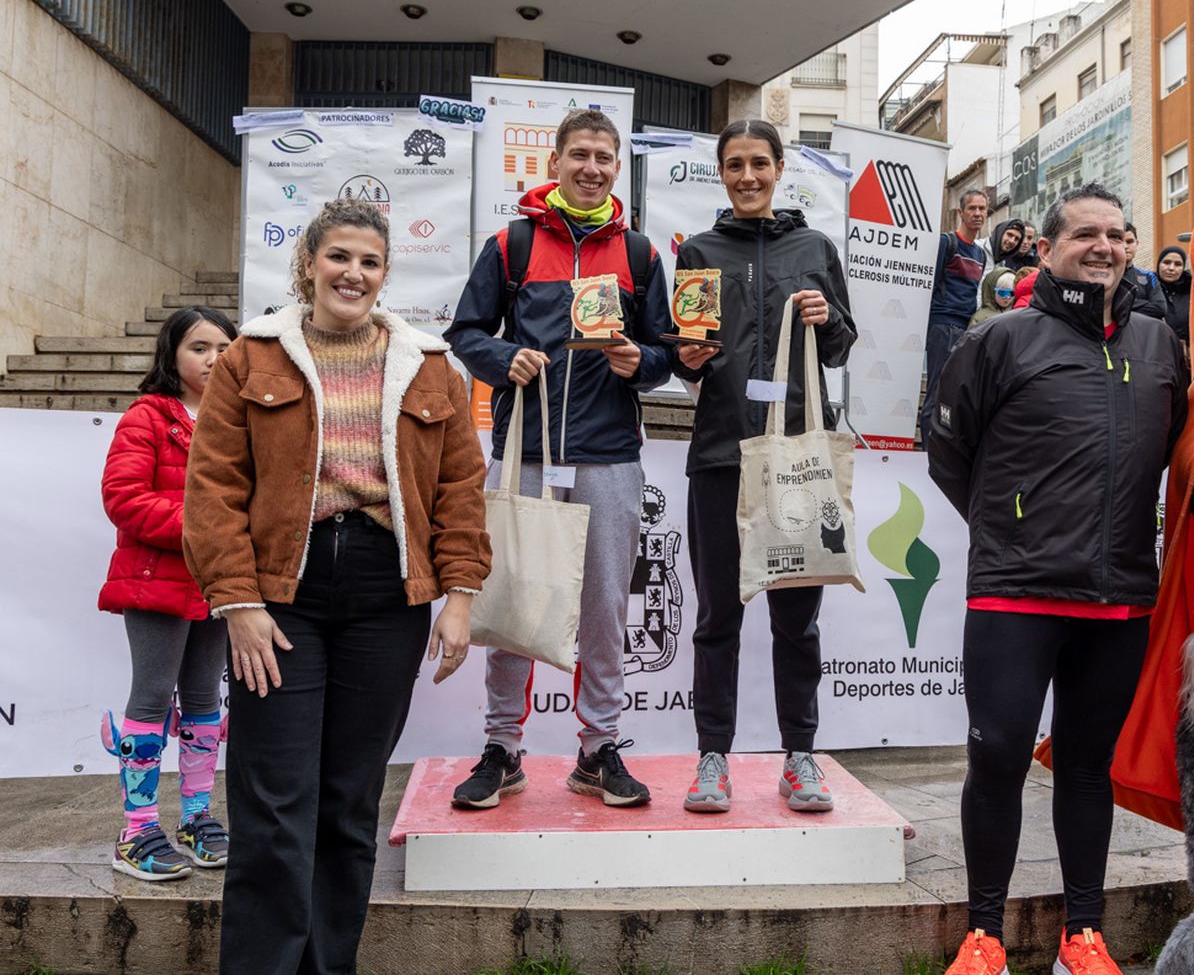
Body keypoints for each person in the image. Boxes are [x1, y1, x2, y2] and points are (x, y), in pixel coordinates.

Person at [185, 199, 489, 974]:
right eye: (339, 257)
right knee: (274, 808)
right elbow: (213, 490)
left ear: (386, 274)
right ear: (309, 263)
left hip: (387, 597)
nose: (353, 273)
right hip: (280, 597)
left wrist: (458, 594)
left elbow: (460, 487)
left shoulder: (428, 365)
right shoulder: (249, 360)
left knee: (350, 805)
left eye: (370, 261)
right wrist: (239, 604)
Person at [925, 184, 1186, 975]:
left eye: (1118, 234)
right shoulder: (1001, 338)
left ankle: (1084, 933)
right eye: (1085, 235)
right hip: (1015, 591)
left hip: (1119, 597)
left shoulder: (1159, 343)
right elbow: (947, 449)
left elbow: (1171, 449)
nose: (1104, 246)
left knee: (1085, 763)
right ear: (1046, 249)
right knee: (997, 755)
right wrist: (1009, 526)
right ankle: (982, 936)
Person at [444, 108, 671, 810]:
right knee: (513, 601)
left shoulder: (640, 254)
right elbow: (465, 331)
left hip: (609, 456)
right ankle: (502, 748)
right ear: (555, 162)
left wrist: (641, 362)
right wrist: (503, 356)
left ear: (617, 166)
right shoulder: (511, 244)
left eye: (605, 156)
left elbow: (667, 351)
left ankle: (598, 746)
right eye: (580, 154)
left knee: (604, 609)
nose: (592, 166)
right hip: (528, 455)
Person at [671, 118, 857, 813]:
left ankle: (799, 755)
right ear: (722, 173)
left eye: (759, 163)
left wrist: (823, 313)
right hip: (721, 455)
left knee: (795, 620)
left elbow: (839, 347)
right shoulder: (698, 250)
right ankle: (712, 757)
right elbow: (687, 353)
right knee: (718, 614)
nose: (747, 176)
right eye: (734, 165)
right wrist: (685, 356)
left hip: (799, 456)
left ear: (780, 168)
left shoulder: (815, 247)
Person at [98, 305, 237, 881]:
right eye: (199, 348)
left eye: (224, 349)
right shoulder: (148, 416)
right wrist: (206, 523)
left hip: (219, 582)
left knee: (205, 699)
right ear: (172, 355)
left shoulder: (239, 420)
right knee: (153, 699)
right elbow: (123, 498)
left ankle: (197, 818)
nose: (213, 359)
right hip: (156, 582)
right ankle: (136, 832)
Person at [920, 189, 990, 443]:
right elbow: (931, 284)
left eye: (982, 209)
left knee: (952, 395)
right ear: (960, 212)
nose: (978, 214)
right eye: (972, 208)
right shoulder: (947, 243)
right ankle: (927, 454)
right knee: (936, 392)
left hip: (966, 328)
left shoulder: (980, 253)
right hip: (943, 324)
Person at [1121, 222, 1169, 320]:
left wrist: (1123, 304)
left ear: (1137, 243)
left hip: (1141, 333)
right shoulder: (1106, 276)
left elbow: (1160, 308)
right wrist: (1143, 303)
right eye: (1121, 241)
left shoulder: (1149, 276)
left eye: (1129, 241)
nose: (1125, 246)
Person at [1155, 244, 1190, 349]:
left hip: (1185, 356)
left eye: (1178, 264)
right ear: (1158, 265)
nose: (1171, 268)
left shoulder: (1192, 292)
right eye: (1166, 262)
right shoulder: (1148, 289)